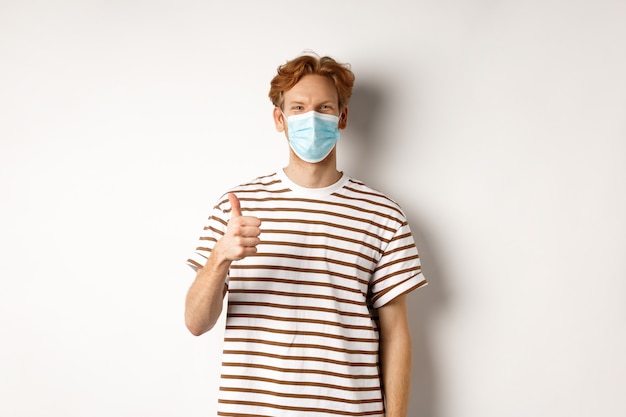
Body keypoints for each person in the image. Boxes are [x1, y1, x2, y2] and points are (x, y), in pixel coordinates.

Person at [184, 52, 427, 417]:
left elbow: (396, 336)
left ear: (342, 117)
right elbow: (195, 323)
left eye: (324, 107)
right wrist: (220, 257)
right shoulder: (236, 206)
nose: (311, 118)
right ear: (279, 119)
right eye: (298, 108)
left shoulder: (383, 215)